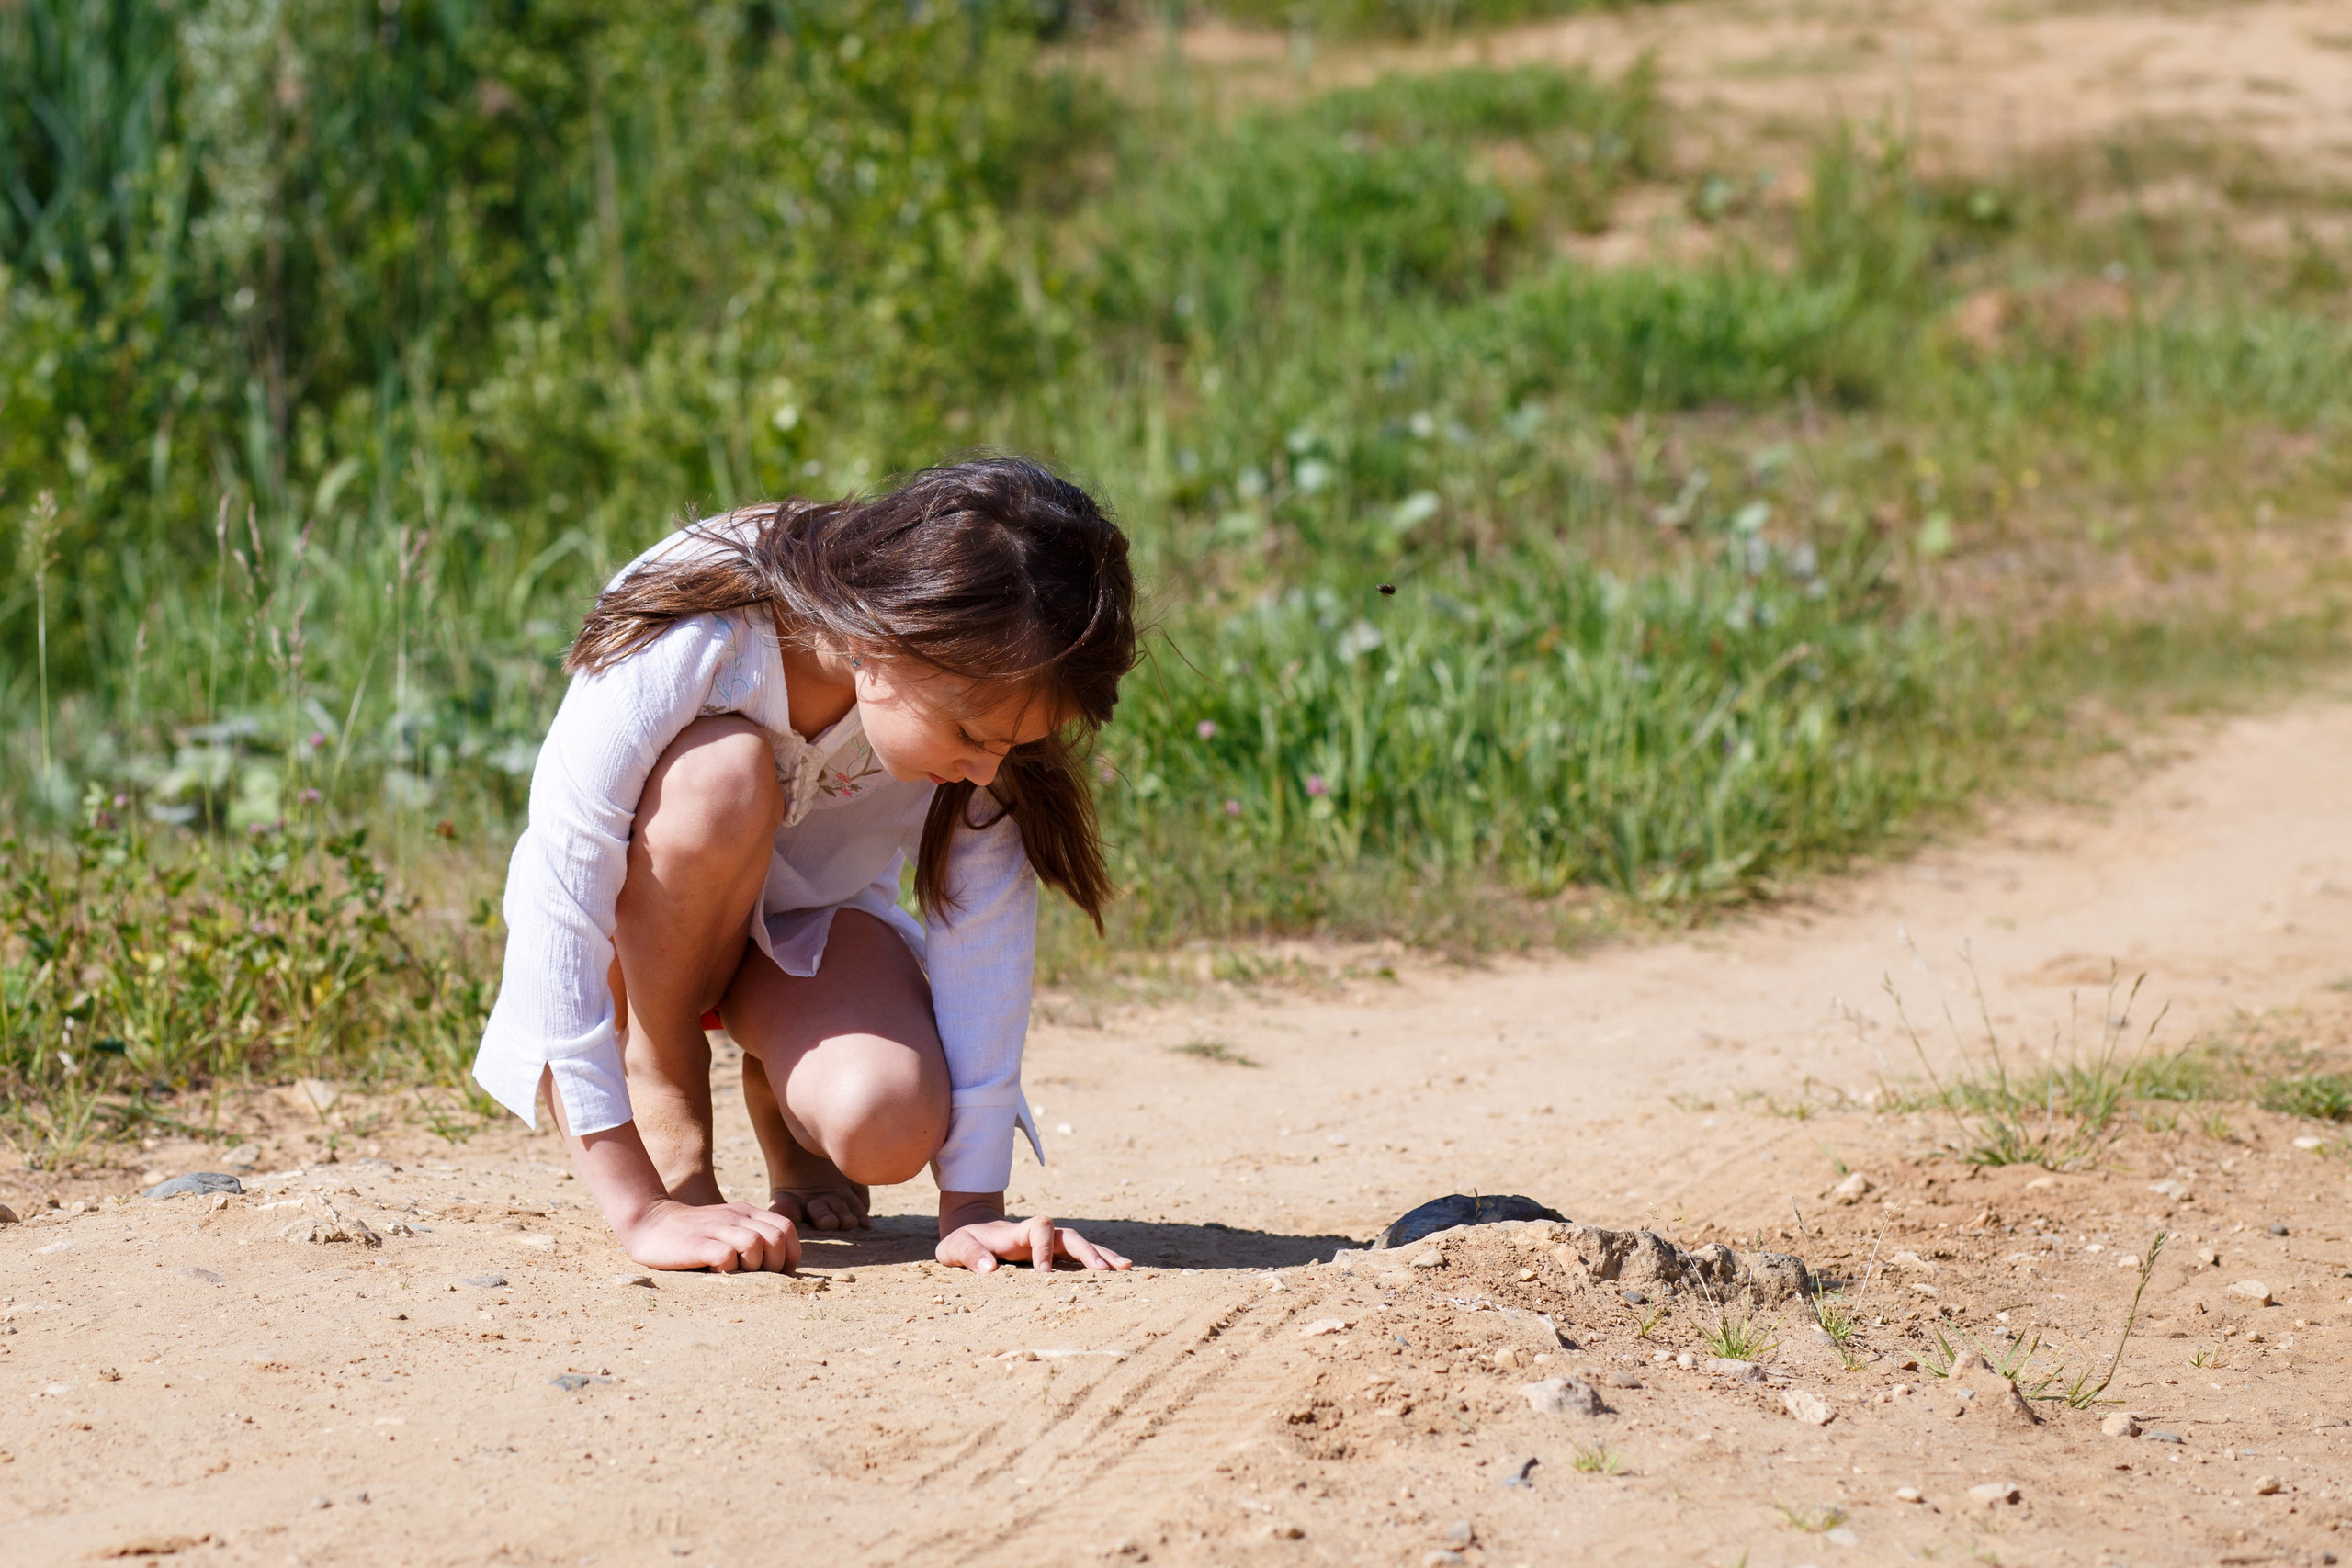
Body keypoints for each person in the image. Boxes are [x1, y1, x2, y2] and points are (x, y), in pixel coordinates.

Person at [471, 456, 1137, 1276]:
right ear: (877, 637)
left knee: (885, 1120)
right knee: (720, 775)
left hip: (802, 939)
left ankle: (782, 1097)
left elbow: (984, 941)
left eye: (1013, 745)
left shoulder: (984, 699)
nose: (985, 769)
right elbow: (558, 899)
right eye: (970, 737)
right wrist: (641, 1208)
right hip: (640, 943)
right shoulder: (701, 628)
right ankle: (665, 1080)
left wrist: (971, 1210)